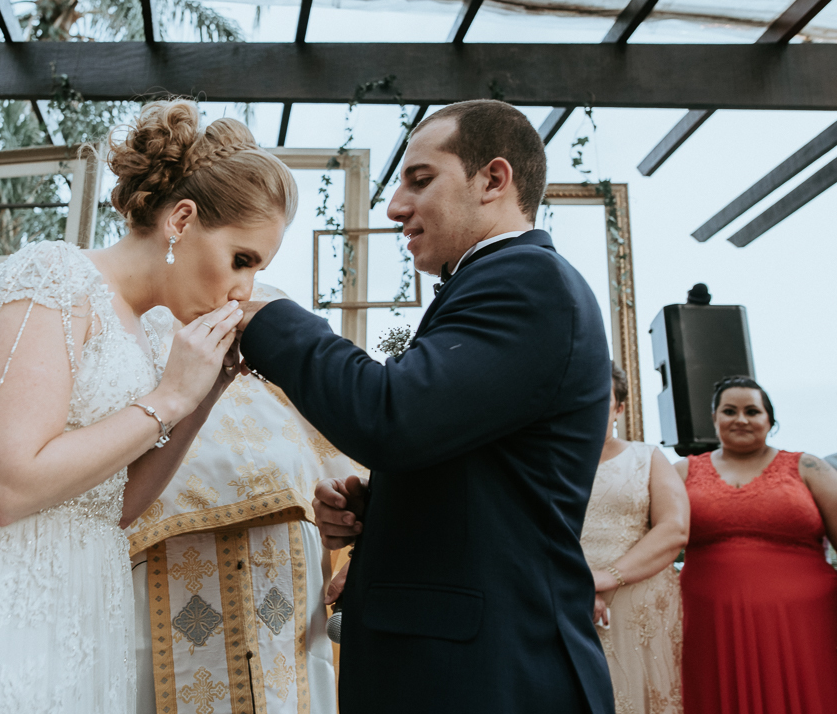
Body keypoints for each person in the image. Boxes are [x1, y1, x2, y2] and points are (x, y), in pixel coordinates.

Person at [0, 98, 297, 714]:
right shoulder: (55, 278)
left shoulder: (153, 335)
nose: (243, 289)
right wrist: (168, 398)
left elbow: (118, 505)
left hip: (83, 603)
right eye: (241, 260)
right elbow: (6, 485)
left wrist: (202, 396)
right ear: (182, 220)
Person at [241, 100, 614, 713]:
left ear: (494, 180)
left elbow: (393, 416)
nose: (394, 207)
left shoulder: (526, 281)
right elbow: (476, 465)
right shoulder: (495, 282)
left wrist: (269, 319)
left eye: (421, 180)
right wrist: (382, 507)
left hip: (490, 676)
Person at [127, 282, 366, 714]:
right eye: (242, 258)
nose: (243, 282)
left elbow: (352, 465)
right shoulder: (129, 326)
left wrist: (368, 548)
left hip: (283, 588)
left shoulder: (270, 319)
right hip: (156, 576)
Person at [675, 376, 837, 714]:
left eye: (752, 411)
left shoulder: (809, 467)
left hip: (806, 624)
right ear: (714, 418)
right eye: (729, 411)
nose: (741, 419)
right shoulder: (681, 473)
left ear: (770, 420)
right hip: (709, 624)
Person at [581, 363, 688, 714]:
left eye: (603, 397)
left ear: (619, 407)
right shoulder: (544, 464)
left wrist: (605, 577)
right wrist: (578, 584)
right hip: (566, 599)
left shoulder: (648, 458)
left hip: (637, 602)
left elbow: (674, 530)